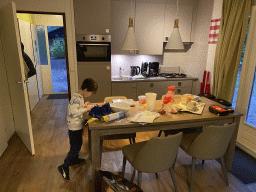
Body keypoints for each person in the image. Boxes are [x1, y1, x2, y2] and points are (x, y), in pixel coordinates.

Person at [58, 78, 98, 181]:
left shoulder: (79, 96)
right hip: (74, 127)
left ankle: (74, 159)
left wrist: (84, 105)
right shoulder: (76, 98)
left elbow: (76, 108)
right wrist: (86, 109)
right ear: (85, 89)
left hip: (77, 126)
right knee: (75, 147)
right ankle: (64, 166)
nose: (90, 95)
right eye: (90, 93)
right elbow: (73, 112)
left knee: (78, 144)